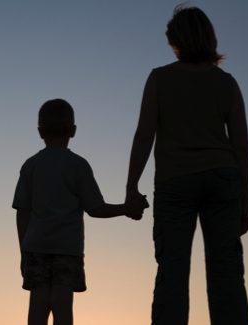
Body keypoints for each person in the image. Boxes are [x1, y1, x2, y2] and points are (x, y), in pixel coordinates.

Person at [124, 5, 248, 325]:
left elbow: (144, 136)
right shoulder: (227, 83)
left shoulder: (160, 78)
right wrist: (244, 202)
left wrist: (131, 187)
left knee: (173, 272)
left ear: (176, 41)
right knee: (227, 276)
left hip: (175, 181)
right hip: (223, 179)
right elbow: (240, 148)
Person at [13, 98, 149, 325]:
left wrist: (23, 251)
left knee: (37, 305)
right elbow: (95, 208)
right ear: (73, 130)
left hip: (35, 247)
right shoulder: (78, 165)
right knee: (62, 304)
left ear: (40, 132)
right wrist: (127, 209)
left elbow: (22, 212)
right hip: (67, 249)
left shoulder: (31, 165)